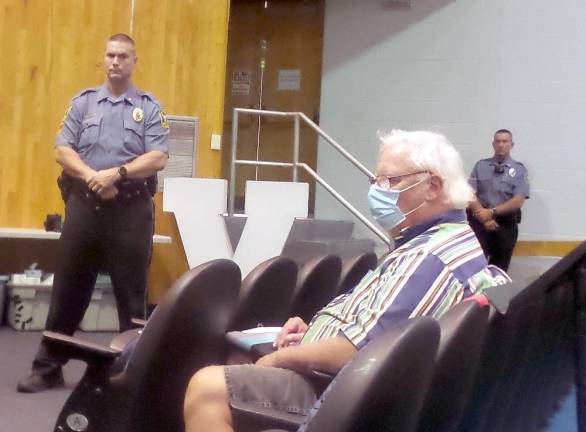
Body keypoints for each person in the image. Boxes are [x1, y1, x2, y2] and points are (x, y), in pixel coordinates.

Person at [183, 130, 510, 432]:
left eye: (389, 180)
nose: (376, 191)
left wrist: (282, 357)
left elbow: (357, 349)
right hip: (350, 376)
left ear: (433, 187)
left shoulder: (428, 257)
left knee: (207, 387)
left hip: (344, 393)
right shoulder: (446, 239)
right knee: (238, 359)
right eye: (375, 179)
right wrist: (309, 333)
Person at [17, 33, 169, 393]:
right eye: (111, 55)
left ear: (134, 61)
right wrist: (92, 177)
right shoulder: (83, 104)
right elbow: (62, 149)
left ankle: (132, 372)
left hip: (131, 209)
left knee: (131, 296)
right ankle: (48, 366)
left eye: (123, 56)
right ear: (103, 59)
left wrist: (117, 173)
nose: (116, 62)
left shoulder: (149, 107)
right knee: (68, 289)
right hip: (85, 206)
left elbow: (159, 156)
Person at [468, 129, 530, 271]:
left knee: (499, 270)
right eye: (498, 141)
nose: (501, 145)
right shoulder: (481, 166)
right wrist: (484, 217)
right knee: (476, 268)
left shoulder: (520, 170)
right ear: (493, 144)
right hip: (480, 223)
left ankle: (495, 293)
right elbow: (469, 193)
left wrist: (491, 213)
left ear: (511, 144)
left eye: (505, 141)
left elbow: (518, 200)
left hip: (505, 226)